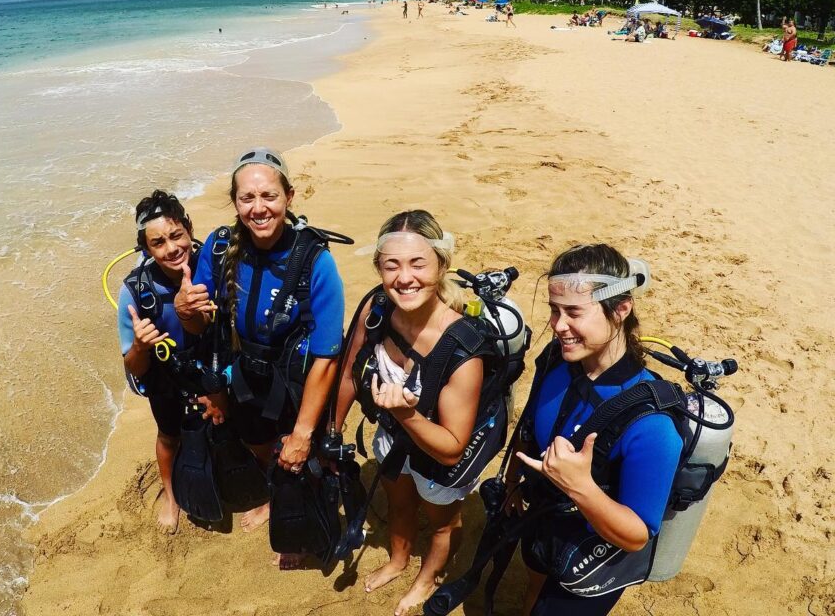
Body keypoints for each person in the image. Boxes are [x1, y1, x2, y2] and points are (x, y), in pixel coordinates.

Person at [336, 211, 518, 616]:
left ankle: (428, 577)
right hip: (392, 434)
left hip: (436, 454)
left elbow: (452, 448)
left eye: (418, 263)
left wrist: (406, 416)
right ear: (379, 269)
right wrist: (332, 431)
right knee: (398, 501)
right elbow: (351, 368)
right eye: (391, 265)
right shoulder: (376, 308)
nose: (404, 278)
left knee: (441, 521)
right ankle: (399, 559)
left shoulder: (462, 350)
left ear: (441, 265)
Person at [175, 147, 346, 560]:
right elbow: (203, 326)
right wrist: (185, 313)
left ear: (289, 195)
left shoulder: (314, 262)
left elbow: (327, 355)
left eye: (269, 196)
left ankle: (295, 509)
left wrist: (305, 433)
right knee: (256, 441)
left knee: (299, 456)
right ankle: (269, 496)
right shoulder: (218, 249)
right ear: (234, 202)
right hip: (245, 373)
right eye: (247, 198)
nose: (259, 208)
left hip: (296, 377)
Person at [502, 244, 682, 615]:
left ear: (620, 309)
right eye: (554, 310)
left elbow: (636, 535)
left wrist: (579, 486)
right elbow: (530, 429)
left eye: (573, 312)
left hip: (593, 557)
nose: (558, 325)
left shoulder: (651, 425)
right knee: (532, 589)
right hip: (543, 519)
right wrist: (512, 483)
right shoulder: (557, 361)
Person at [116, 190, 207, 533]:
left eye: (176, 235)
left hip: (211, 365)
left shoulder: (212, 268)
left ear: (189, 228)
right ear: (146, 249)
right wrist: (140, 345)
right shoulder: (134, 291)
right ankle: (171, 496)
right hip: (166, 375)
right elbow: (134, 367)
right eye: (158, 243)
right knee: (169, 435)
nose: (171, 248)